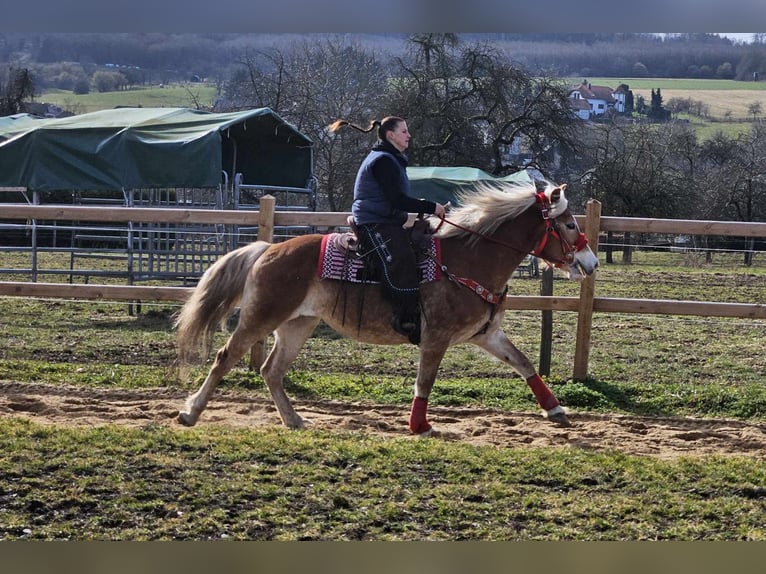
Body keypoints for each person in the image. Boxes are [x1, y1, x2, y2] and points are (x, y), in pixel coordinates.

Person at [328, 116, 447, 345]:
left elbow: (396, 199)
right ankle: (406, 318)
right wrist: (431, 206)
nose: (408, 135)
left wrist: (424, 205)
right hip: (374, 221)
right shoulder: (383, 161)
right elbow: (397, 200)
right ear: (390, 135)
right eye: (404, 131)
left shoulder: (390, 159)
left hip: (383, 219)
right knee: (401, 258)